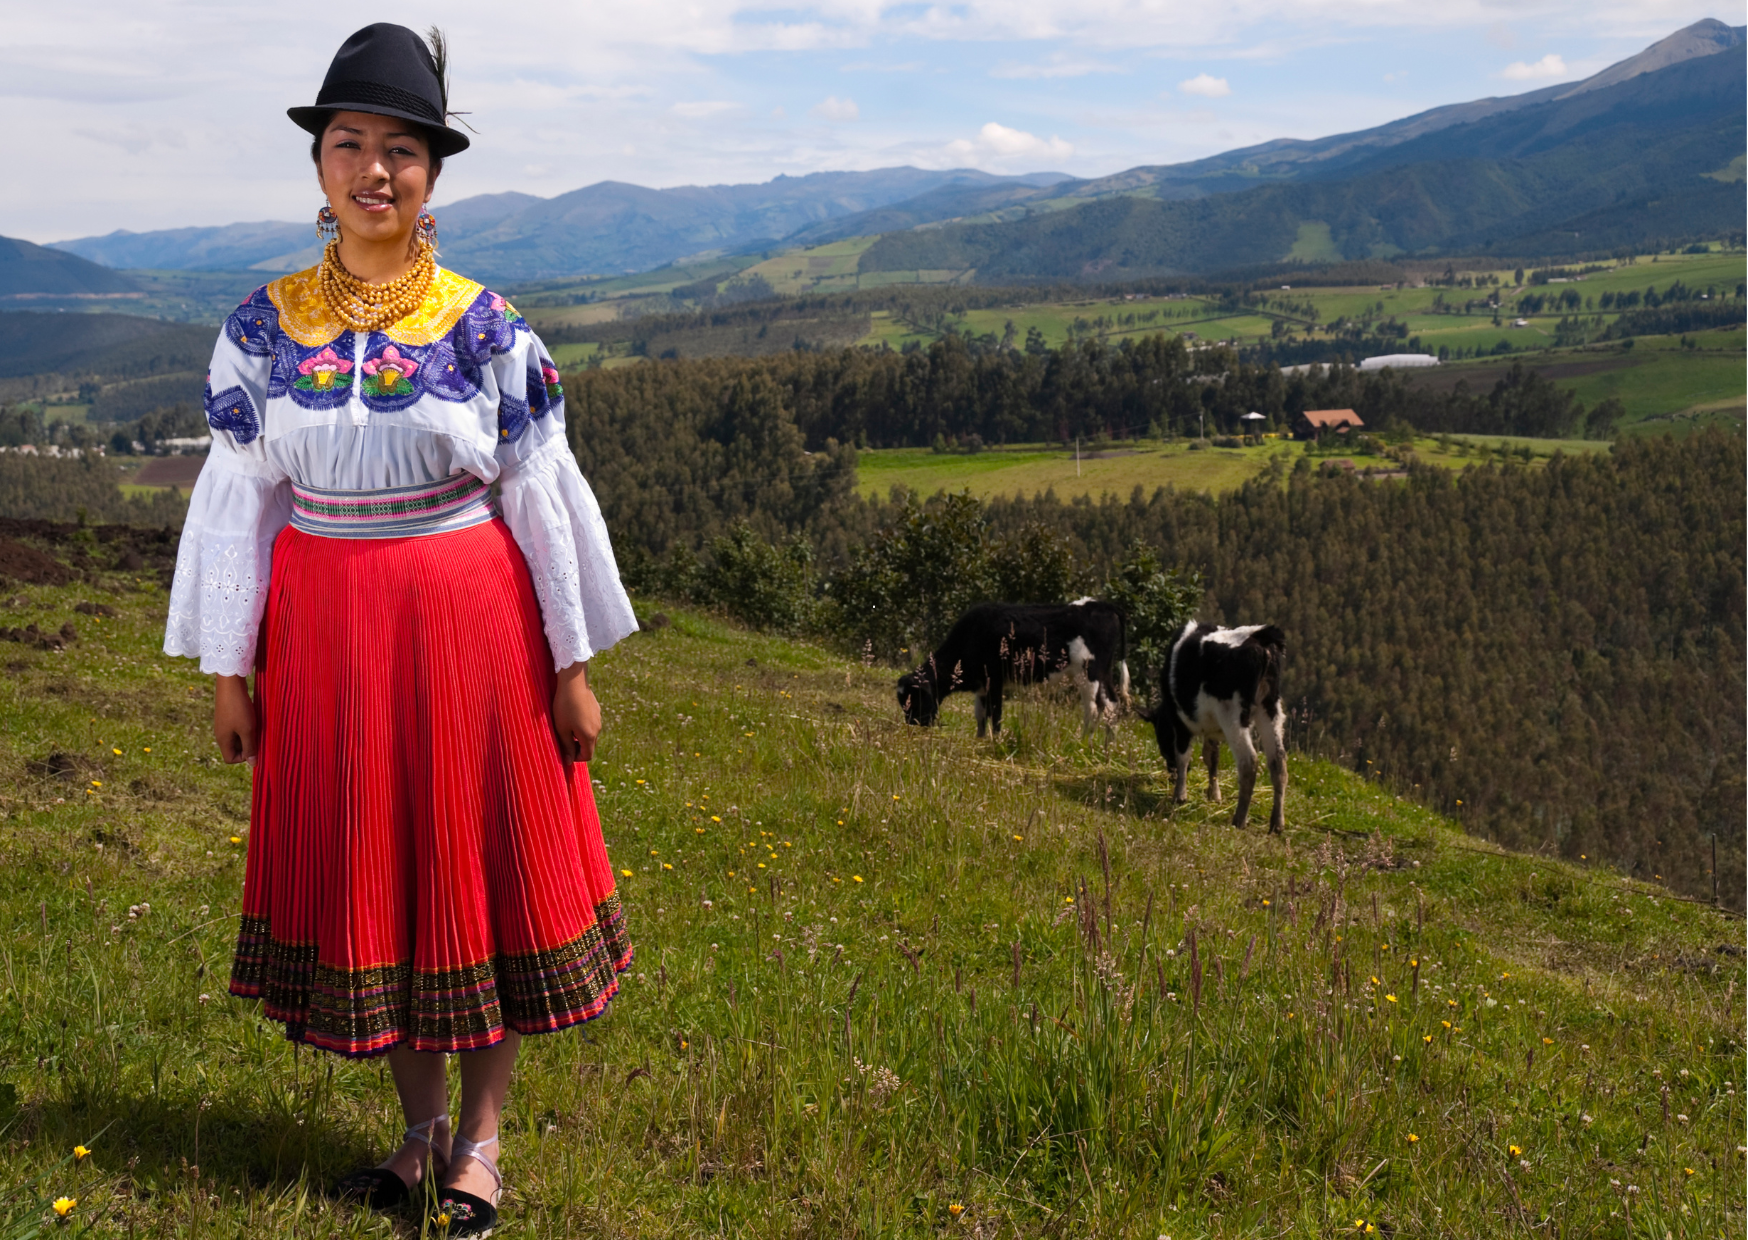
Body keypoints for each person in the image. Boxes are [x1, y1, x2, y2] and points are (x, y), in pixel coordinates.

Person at [163, 24, 638, 1237]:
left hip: (474, 629)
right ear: (320, 165)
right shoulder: (259, 330)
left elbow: (539, 495)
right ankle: (416, 1130)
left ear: (434, 172)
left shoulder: (488, 328)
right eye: (350, 143)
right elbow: (240, 504)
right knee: (378, 862)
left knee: (474, 865)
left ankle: (481, 1142)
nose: (374, 168)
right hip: (326, 636)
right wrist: (231, 670)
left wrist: (570, 666)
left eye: (401, 149)